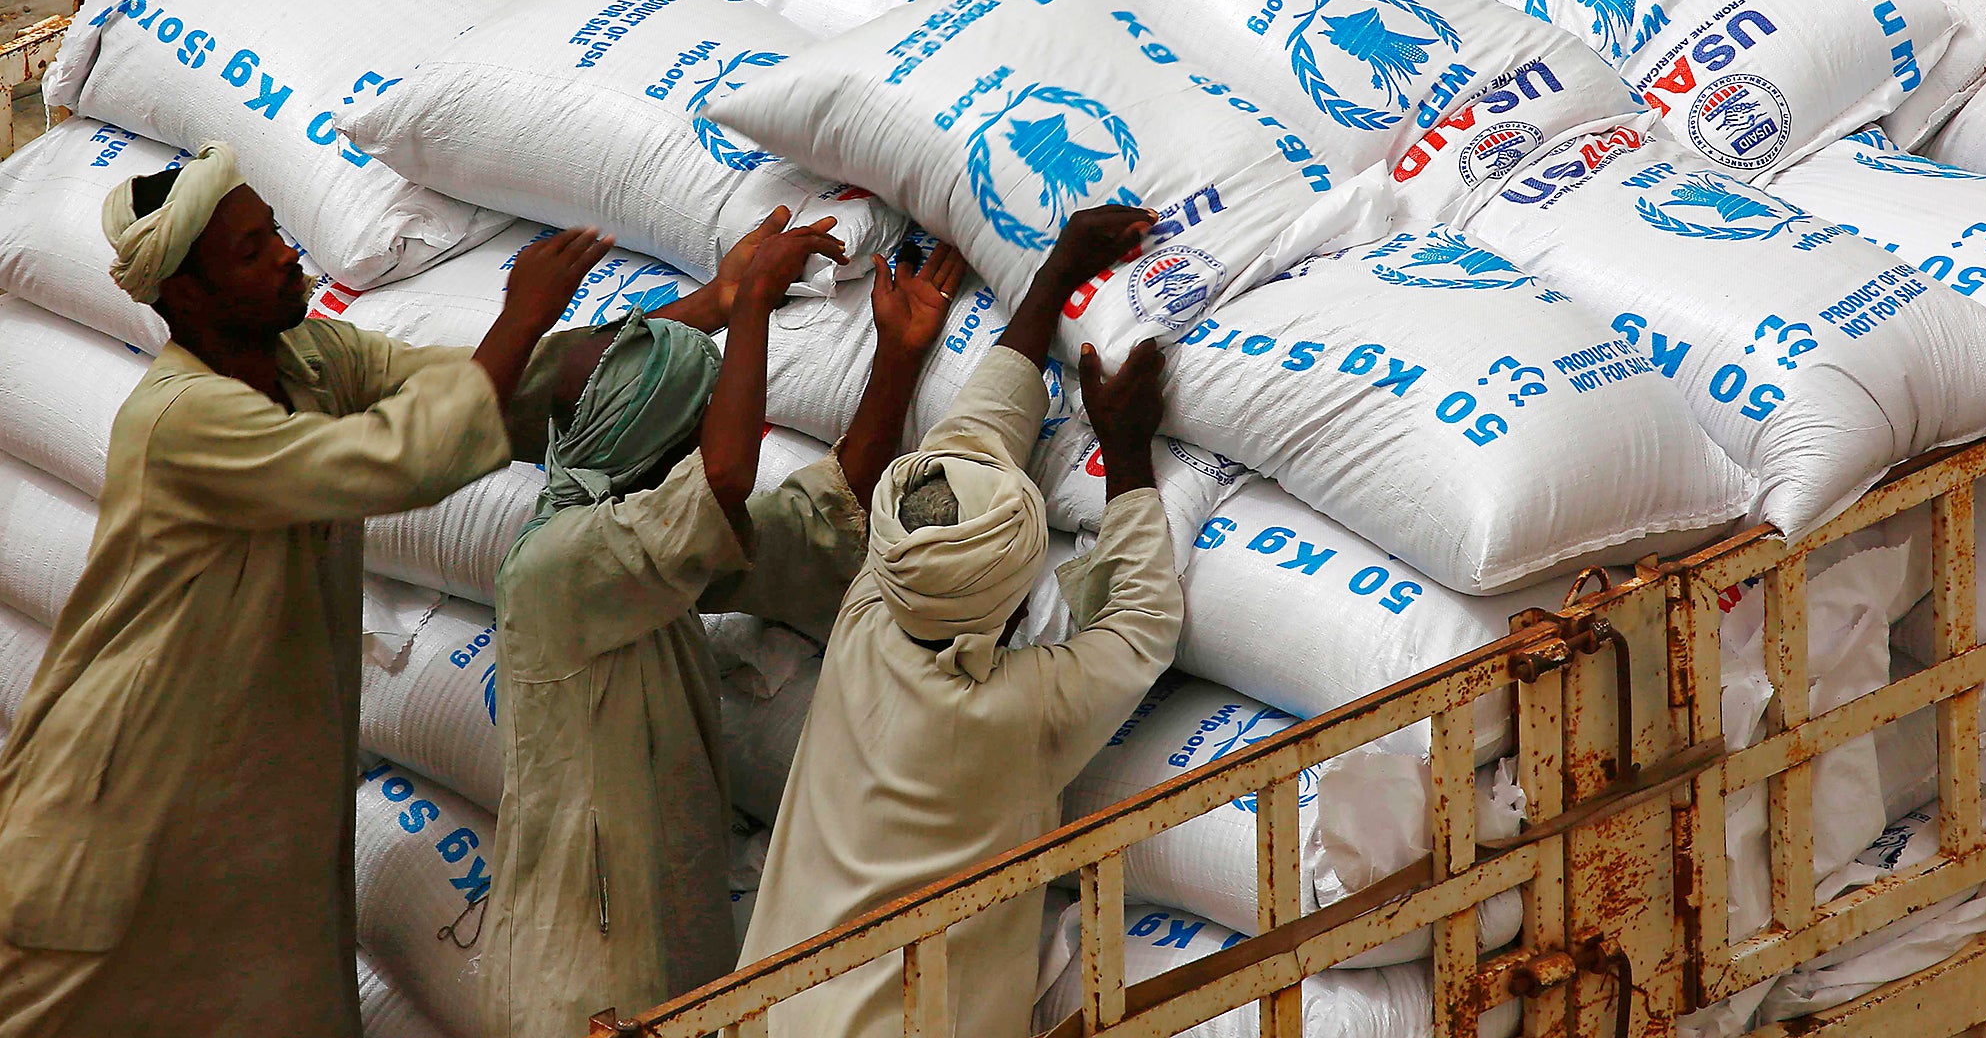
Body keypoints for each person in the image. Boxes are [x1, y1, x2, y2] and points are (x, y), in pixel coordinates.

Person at [0, 144, 613, 1037]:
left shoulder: (305, 355)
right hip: (121, 810)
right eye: (251, 252)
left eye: (275, 233)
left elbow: (458, 388)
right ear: (190, 298)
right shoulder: (184, 422)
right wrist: (521, 314)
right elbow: (390, 459)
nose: (288, 254)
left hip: (244, 825)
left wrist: (711, 308)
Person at [484, 217, 970, 1038]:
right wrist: (746, 312)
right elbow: (720, 479)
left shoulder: (646, 548)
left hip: (651, 964)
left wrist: (895, 356)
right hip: (578, 987)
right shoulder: (563, 562)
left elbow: (823, 511)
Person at [741, 203, 1186, 1038]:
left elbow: (970, 442)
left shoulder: (874, 611)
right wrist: (1127, 454)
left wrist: (1054, 273)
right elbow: (1139, 629)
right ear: (1019, 599)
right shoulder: (1013, 711)